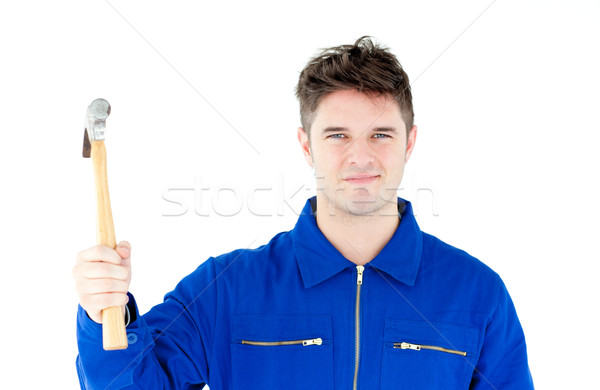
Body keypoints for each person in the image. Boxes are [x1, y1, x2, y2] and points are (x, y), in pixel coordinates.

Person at [73, 36, 534, 389]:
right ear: (305, 145)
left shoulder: (478, 295)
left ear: (409, 142)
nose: (360, 157)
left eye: (380, 134)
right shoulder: (226, 288)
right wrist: (104, 316)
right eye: (337, 135)